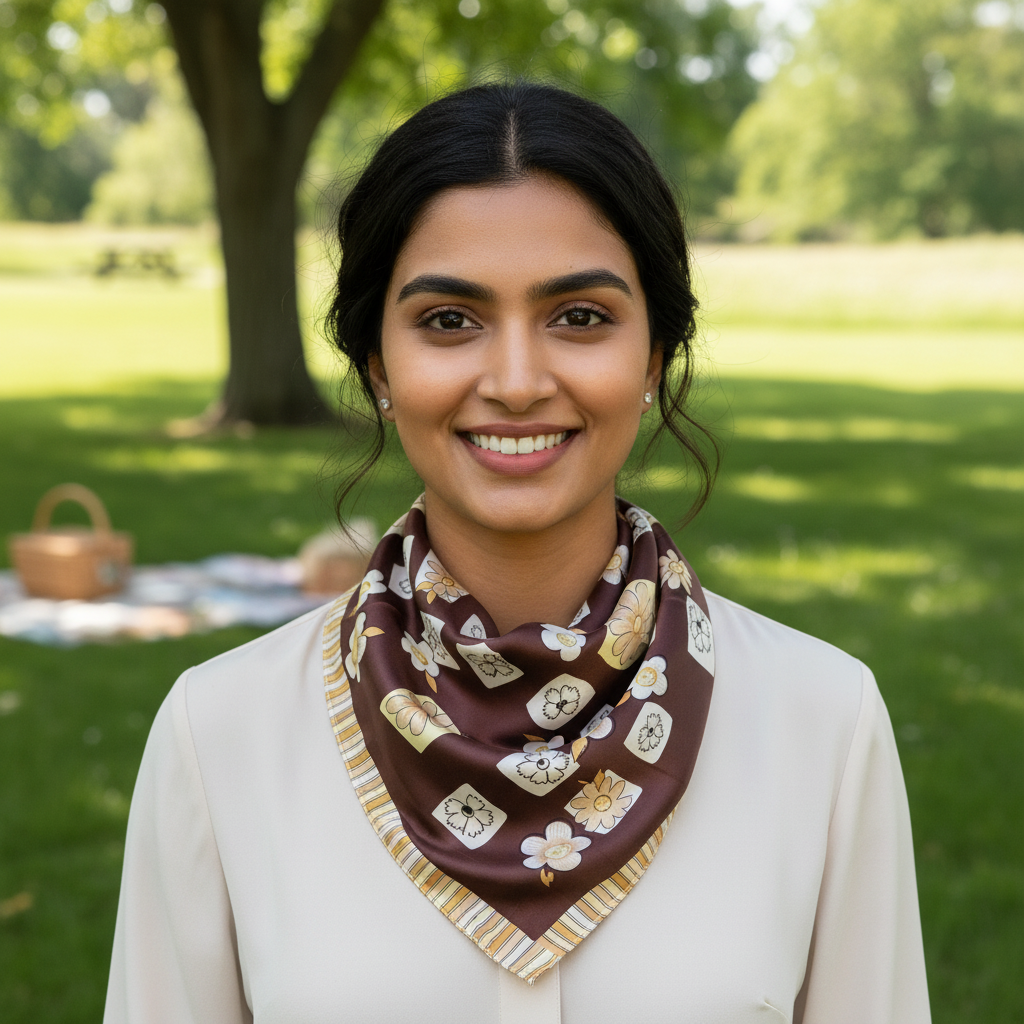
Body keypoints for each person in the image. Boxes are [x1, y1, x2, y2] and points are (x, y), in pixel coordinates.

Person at [104, 82, 931, 1024]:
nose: (516, 382)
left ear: (655, 354)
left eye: (578, 316)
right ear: (378, 364)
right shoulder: (221, 736)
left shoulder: (821, 724)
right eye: (449, 321)